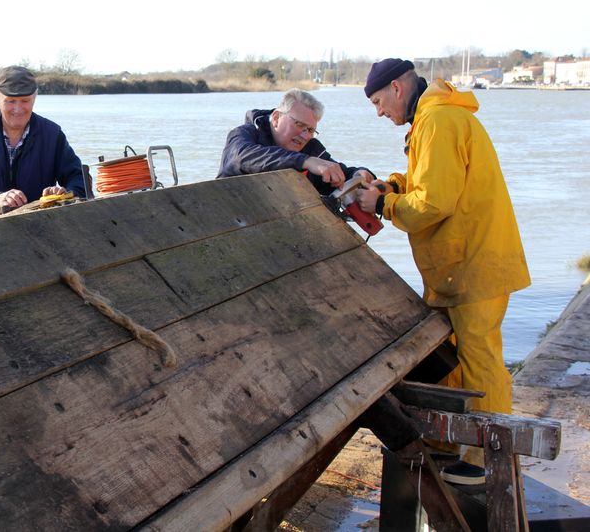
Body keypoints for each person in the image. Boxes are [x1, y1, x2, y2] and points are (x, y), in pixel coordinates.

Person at [355, 58, 530, 485]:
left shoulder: (438, 121)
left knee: (482, 360)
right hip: (458, 267)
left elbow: (433, 204)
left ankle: (488, 457)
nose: (379, 112)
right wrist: (391, 184)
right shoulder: (432, 119)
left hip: (474, 265)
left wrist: (380, 205)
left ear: (397, 88)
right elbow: (428, 180)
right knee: (451, 359)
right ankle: (450, 441)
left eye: (379, 102)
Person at [0, 65, 85, 218]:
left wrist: (65, 193)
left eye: (25, 100)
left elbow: (80, 179)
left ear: (35, 97)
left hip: (37, 224)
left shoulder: (52, 134)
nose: (18, 109)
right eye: (10, 101)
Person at [216, 88, 373, 194]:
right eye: (299, 125)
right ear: (276, 118)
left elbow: (336, 171)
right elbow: (242, 157)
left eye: (310, 130)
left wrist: (359, 174)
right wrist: (305, 161)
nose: (305, 136)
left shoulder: (311, 149)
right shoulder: (244, 134)